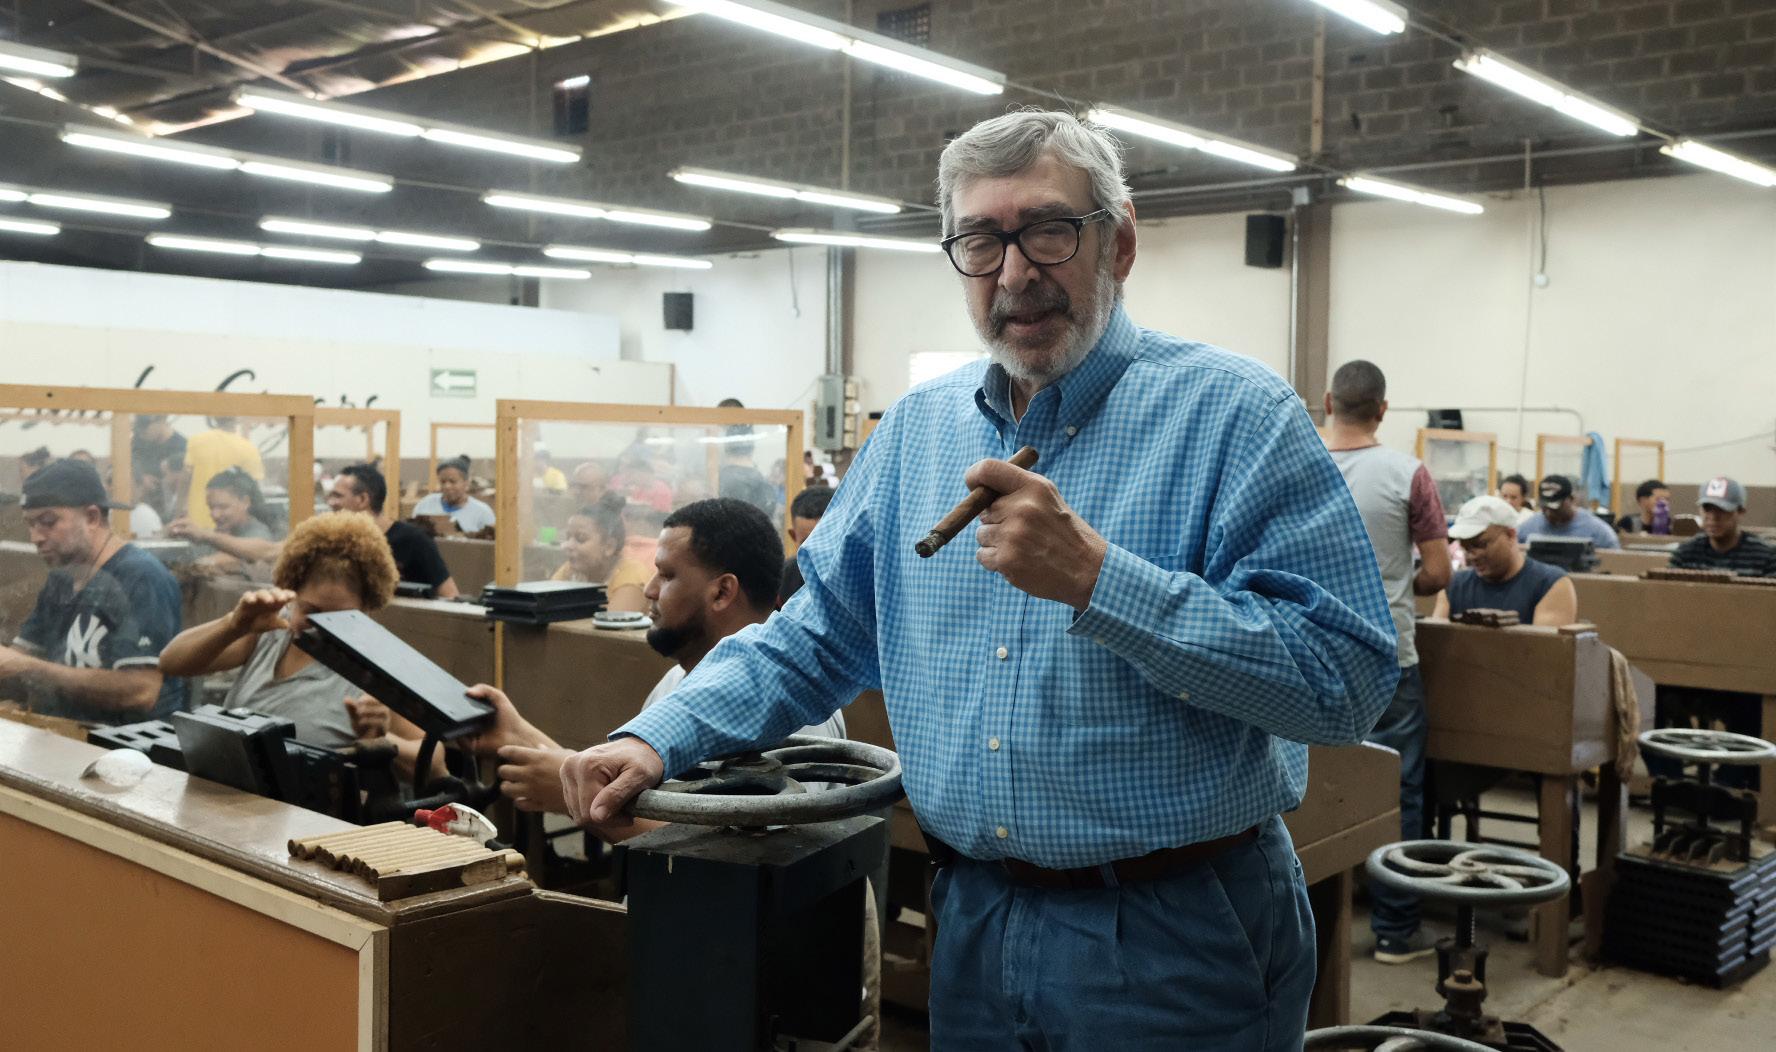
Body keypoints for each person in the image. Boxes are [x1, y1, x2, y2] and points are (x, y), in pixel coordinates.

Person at [557, 110, 1397, 1047]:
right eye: (981, 241)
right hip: (974, 921)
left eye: (1049, 230)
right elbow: (814, 635)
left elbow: (1347, 682)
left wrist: (1100, 582)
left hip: (1175, 938)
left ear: (1119, 243)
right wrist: (662, 737)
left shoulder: (1236, 416)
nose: (1015, 272)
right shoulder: (917, 432)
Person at [464, 497, 846, 820]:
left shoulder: (796, 708)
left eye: (666, 575)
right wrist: (520, 734)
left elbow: (748, 857)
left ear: (722, 592)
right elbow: (634, 788)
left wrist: (580, 803)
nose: (649, 589)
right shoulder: (678, 682)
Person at [1322, 359, 1450, 965]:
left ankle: (1316, 922)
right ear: (1382, 410)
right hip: (1385, 655)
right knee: (1398, 786)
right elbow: (1440, 572)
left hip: (1306, 651)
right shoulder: (1407, 474)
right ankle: (1396, 929)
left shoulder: (1297, 461)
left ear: (1328, 403)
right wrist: (1396, 584)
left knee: (1308, 785)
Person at [158, 512, 398, 748]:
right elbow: (172, 663)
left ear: (367, 608)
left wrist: (377, 739)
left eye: (340, 618)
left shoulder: (376, 666)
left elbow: (423, 757)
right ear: (292, 594)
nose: (323, 628)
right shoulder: (273, 629)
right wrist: (234, 625)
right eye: (311, 612)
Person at [0, 459, 184, 722]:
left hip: (123, 742)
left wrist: (29, 667)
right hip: (63, 732)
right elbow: (21, 656)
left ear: (92, 517)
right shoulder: (62, 578)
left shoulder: (141, 577)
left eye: (48, 522)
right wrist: (13, 662)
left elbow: (142, 691)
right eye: (30, 524)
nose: (36, 537)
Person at [1436, 496, 1579, 625]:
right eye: (1465, 547)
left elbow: (1543, 645)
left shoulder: (1550, 585)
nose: (1471, 556)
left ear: (1510, 535)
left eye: (1480, 545)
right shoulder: (1453, 587)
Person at [327, 464, 459, 599]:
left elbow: (450, 595)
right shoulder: (338, 542)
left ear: (363, 499)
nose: (331, 503)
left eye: (337, 496)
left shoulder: (414, 540)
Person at [552, 492, 651, 611]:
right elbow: (543, 608)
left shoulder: (633, 577)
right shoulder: (571, 570)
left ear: (609, 547)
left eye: (580, 538)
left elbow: (609, 623)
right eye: (568, 538)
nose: (568, 545)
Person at [167, 467, 280, 570]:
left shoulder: (259, 534)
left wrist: (204, 537)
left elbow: (238, 556)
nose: (215, 514)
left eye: (223, 507)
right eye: (211, 507)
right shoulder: (214, 536)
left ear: (245, 502)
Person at [1669, 477, 1776, 576]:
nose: (1713, 517)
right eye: (1707, 509)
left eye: (1722, 509)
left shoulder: (1766, 556)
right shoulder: (1685, 553)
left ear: (1740, 512)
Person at [183, 416, 264, 531]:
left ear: (213, 418)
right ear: (237, 418)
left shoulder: (196, 441)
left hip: (197, 521)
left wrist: (178, 514)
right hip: (230, 522)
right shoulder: (248, 448)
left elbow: (185, 479)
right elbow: (254, 489)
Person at [1517, 474, 1620, 550]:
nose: (1549, 513)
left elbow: (1615, 563)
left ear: (1571, 499)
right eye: (1545, 508)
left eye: (1555, 508)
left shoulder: (1598, 533)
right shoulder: (1527, 528)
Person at [778, 485, 834, 606]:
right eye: (807, 544)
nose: (817, 553)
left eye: (825, 542)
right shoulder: (782, 581)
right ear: (794, 536)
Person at [414, 456, 496, 534]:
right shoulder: (425, 505)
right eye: (443, 482)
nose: (447, 486)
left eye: (452, 481)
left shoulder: (482, 513)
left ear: (466, 483)